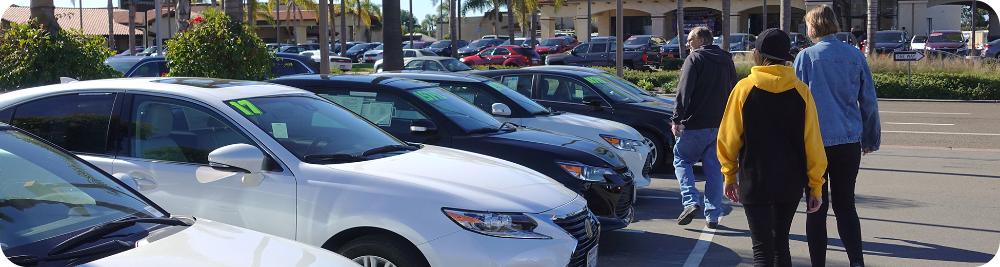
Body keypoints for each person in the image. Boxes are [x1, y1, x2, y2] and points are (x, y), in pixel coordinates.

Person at [717, 28, 826, 267]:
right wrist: (815, 186)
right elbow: (813, 143)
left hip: (754, 179)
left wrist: (729, 175)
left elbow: (728, 138)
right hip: (790, 181)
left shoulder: (743, 89)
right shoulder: (801, 91)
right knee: (780, 245)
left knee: (761, 250)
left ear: (757, 54)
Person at [793, 5, 881, 267]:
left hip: (815, 143)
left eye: (808, 24)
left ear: (814, 26)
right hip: (848, 141)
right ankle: (856, 262)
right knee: (846, 205)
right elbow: (869, 101)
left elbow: (796, 104)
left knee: (815, 206)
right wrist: (870, 138)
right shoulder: (855, 56)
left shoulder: (806, 57)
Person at [670, 26, 737, 228]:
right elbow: (734, 91)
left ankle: (690, 201)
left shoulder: (695, 59)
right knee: (714, 170)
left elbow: (684, 91)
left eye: (690, 40)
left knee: (682, 159)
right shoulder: (726, 59)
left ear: (700, 40)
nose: (688, 44)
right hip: (720, 126)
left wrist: (676, 119)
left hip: (695, 124)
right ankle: (713, 216)